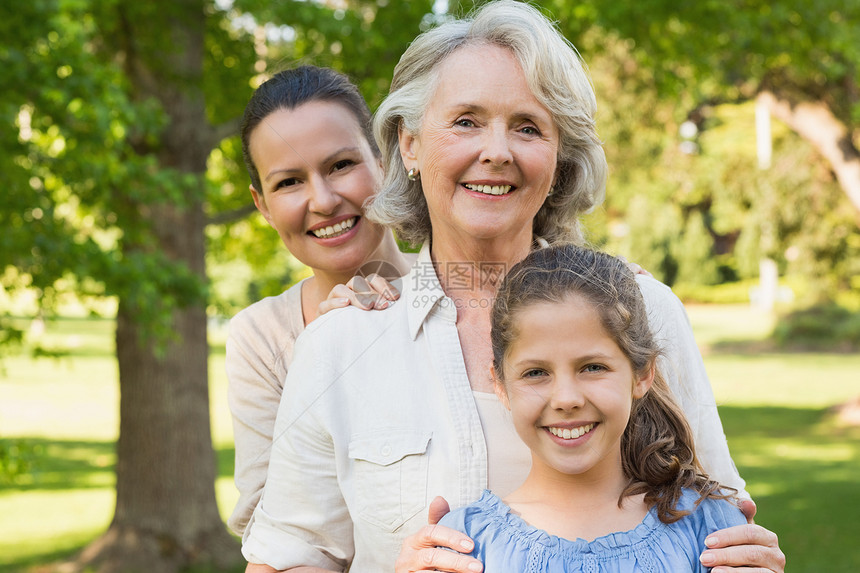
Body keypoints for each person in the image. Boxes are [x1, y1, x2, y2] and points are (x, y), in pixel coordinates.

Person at [241, 2, 785, 572]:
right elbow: (287, 559)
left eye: (528, 127)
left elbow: (718, 527)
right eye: (466, 121)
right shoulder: (342, 343)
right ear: (409, 144)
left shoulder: (643, 311)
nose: (496, 151)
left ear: (558, 157)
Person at [437, 243, 748, 571]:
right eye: (536, 373)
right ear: (500, 385)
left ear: (642, 373)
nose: (566, 399)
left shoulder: (709, 532)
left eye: (593, 367)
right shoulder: (464, 548)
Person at [226, 65, 413, 536]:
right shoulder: (261, 338)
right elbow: (268, 527)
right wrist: (323, 356)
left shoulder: (457, 288)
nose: (324, 200)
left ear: (385, 164)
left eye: (341, 165)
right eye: (289, 182)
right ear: (262, 204)